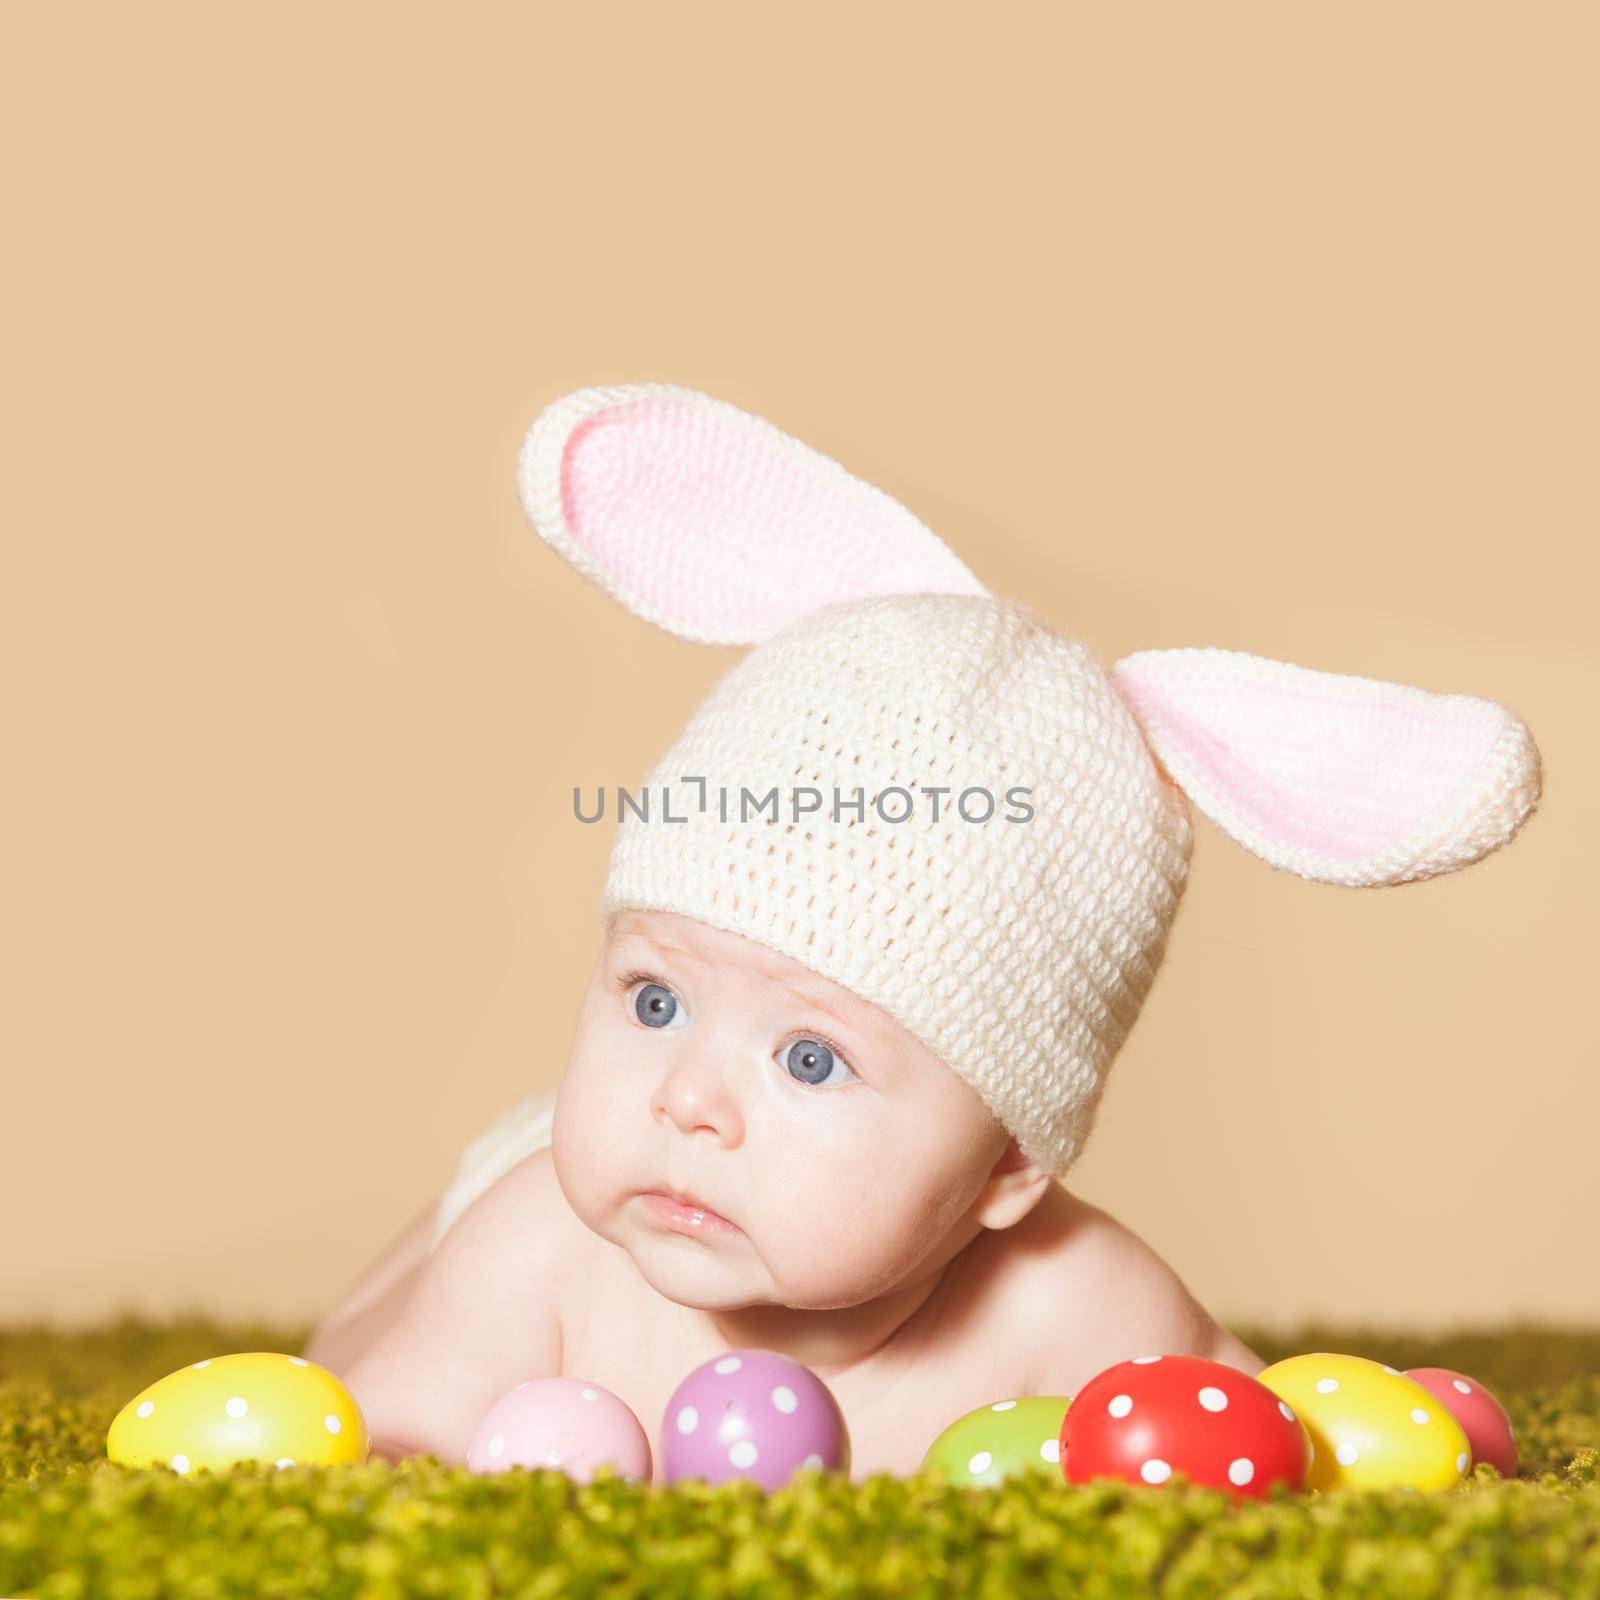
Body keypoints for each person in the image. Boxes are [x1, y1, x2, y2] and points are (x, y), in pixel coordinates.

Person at [304, 382, 1542, 1484]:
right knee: (366, 1319)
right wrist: (398, 1432)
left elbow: (1258, 1429)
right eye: (653, 999)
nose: (686, 1099)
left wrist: (1367, 1439)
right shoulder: (542, 1247)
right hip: (481, 1207)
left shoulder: (1078, 1303)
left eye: (809, 1058)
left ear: (1009, 1163)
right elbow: (353, 1448)